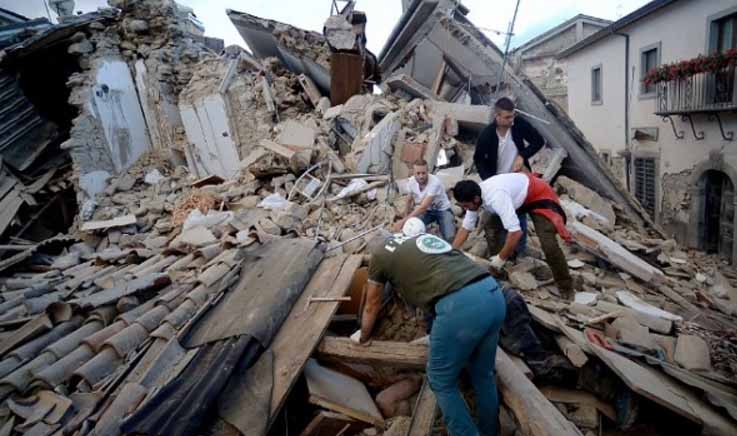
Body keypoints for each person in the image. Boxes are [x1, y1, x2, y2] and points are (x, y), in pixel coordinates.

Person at [358, 231, 506, 436]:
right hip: (492, 293)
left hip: (459, 306)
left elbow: (371, 304)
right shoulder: (418, 237)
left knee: (440, 379)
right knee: (483, 374)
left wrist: (363, 337)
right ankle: (491, 431)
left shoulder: (379, 255)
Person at [451, 172, 574, 299]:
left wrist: (500, 259)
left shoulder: (496, 197)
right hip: (516, 198)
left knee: (549, 244)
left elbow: (516, 233)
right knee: (492, 226)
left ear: (476, 199)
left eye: (466, 206)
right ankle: (499, 269)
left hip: (538, 195)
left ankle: (565, 286)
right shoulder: (474, 198)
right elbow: (466, 227)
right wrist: (451, 252)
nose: (466, 209)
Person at [474, 97, 546, 256]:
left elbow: (538, 141)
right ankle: (499, 250)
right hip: (497, 182)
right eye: (507, 117)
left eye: (513, 115)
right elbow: (478, 159)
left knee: (519, 215)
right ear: (497, 116)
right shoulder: (487, 134)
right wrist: (489, 181)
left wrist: (522, 155)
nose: (511, 120)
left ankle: (519, 252)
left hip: (516, 180)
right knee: (497, 217)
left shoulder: (519, 124)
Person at [394, 159, 455, 242]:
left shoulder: (435, 182)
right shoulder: (411, 181)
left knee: (449, 237)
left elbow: (423, 207)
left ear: (428, 172)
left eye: (423, 173)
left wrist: (403, 221)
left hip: (442, 210)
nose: (421, 176)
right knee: (411, 229)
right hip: (427, 212)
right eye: (418, 173)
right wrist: (405, 217)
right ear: (413, 173)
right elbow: (409, 199)